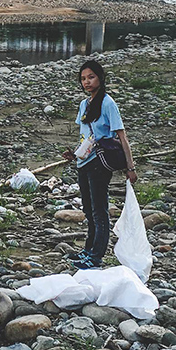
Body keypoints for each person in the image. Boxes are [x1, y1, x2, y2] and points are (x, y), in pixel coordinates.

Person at [62, 60, 138, 270]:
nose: (87, 82)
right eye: (83, 78)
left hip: (100, 163)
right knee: (88, 208)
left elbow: (122, 136)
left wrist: (130, 168)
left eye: (91, 77)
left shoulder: (107, 103)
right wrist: (74, 154)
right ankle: (88, 250)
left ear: (100, 78)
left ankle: (96, 256)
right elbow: (84, 136)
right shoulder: (84, 104)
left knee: (99, 209)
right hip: (84, 161)